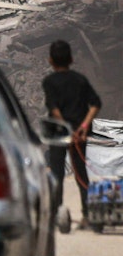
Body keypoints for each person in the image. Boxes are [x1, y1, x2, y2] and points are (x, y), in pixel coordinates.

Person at [42, 39, 101, 224]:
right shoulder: (80, 80)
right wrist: (82, 127)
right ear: (72, 59)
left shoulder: (49, 82)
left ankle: (56, 213)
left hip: (59, 133)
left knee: (57, 173)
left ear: (50, 60)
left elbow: (54, 109)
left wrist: (68, 128)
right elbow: (96, 104)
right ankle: (87, 214)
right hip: (79, 134)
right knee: (80, 172)